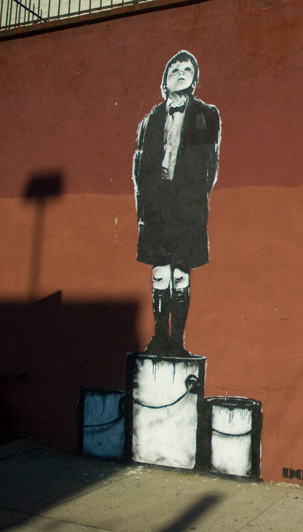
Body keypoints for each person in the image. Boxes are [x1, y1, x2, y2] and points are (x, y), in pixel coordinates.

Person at [132, 50, 221, 357]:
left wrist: (195, 200)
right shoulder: (150, 120)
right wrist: (144, 209)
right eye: (174, 69)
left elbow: (210, 164)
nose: (180, 72)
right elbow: (139, 168)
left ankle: (177, 340)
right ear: (164, 79)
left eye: (187, 69)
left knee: (181, 272)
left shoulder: (206, 114)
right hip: (157, 207)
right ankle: (159, 336)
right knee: (159, 272)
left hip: (187, 206)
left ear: (195, 79)